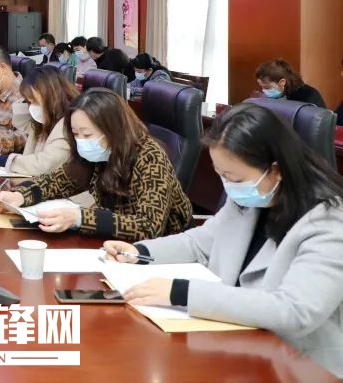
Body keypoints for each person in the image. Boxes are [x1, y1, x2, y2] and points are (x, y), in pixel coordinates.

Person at [102, 103, 343, 376]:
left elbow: (295, 311)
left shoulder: (329, 221)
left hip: (298, 365)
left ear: (276, 170)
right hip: (237, 345)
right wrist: (139, 252)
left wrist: (182, 292)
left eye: (233, 178)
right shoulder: (250, 199)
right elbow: (199, 242)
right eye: (221, 176)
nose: (228, 186)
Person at [0, 87, 192, 241]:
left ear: (113, 129)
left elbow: (149, 226)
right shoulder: (96, 153)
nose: (81, 141)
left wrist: (79, 218)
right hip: (114, 245)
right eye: (75, 134)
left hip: (163, 252)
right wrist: (19, 196)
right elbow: (57, 181)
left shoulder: (149, 156)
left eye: (87, 134)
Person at [0, 66, 77, 175]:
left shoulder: (68, 125)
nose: (32, 107)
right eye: (29, 102)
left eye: (34, 101)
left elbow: (42, 165)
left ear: (52, 97)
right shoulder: (43, 121)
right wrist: (27, 102)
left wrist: (3, 160)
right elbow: (21, 123)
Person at [255, 59, 327, 108]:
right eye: (261, 87)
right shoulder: (282, 93)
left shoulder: (308, 96)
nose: (263, 91)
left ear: (282, 82)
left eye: (267, 87)